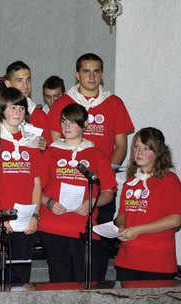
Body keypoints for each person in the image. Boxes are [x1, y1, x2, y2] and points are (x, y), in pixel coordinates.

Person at [48, 53, 134, 280]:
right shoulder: (64, 102)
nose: (91, 76)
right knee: (62, 256)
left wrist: (105, 174)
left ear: (102, 75)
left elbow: (121, 145)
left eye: (96, 71)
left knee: (97, 251)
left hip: (100, 187)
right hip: (65, 188)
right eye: (86, 71)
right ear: (77, 74)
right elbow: (54, 142)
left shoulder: (113, 102)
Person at [38, 103, 116, 283]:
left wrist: (92, 202)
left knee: (82, 283)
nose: (67, 126)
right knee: (59, 282)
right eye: (64, 121)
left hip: (83, 229)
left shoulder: (96, 154)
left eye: (72, 122)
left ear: (84, 125)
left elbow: (108, 192)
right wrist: (48, 202)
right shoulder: (50, 153)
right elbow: (35, 190)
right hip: (52, 227)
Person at [114, 127, 181, 281]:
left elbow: (176, 220)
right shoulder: (131, 181)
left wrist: (138, 230)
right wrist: (121, 227)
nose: (139, 152)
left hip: (156, 261)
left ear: (158, 152)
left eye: (146, 148)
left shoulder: (169, 180)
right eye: (136, 147)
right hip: (128, 259)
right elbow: (122, 215)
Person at [0, 88, 46, 284]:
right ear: (1, 110)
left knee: (21, 276)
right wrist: (1, 217)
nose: (17, 112)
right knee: (1, 277)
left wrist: (35, 216)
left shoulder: (31, 142)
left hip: (25, 221)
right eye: (12, 107)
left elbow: (36, 182)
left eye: (21, 108)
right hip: (1, 220)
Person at [4, 61, 51, 148]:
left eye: (28, 80)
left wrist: (45, 146)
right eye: (19, 81)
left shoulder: (40, 116)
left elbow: (49, 151)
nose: (25, 86)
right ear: (8, 84)